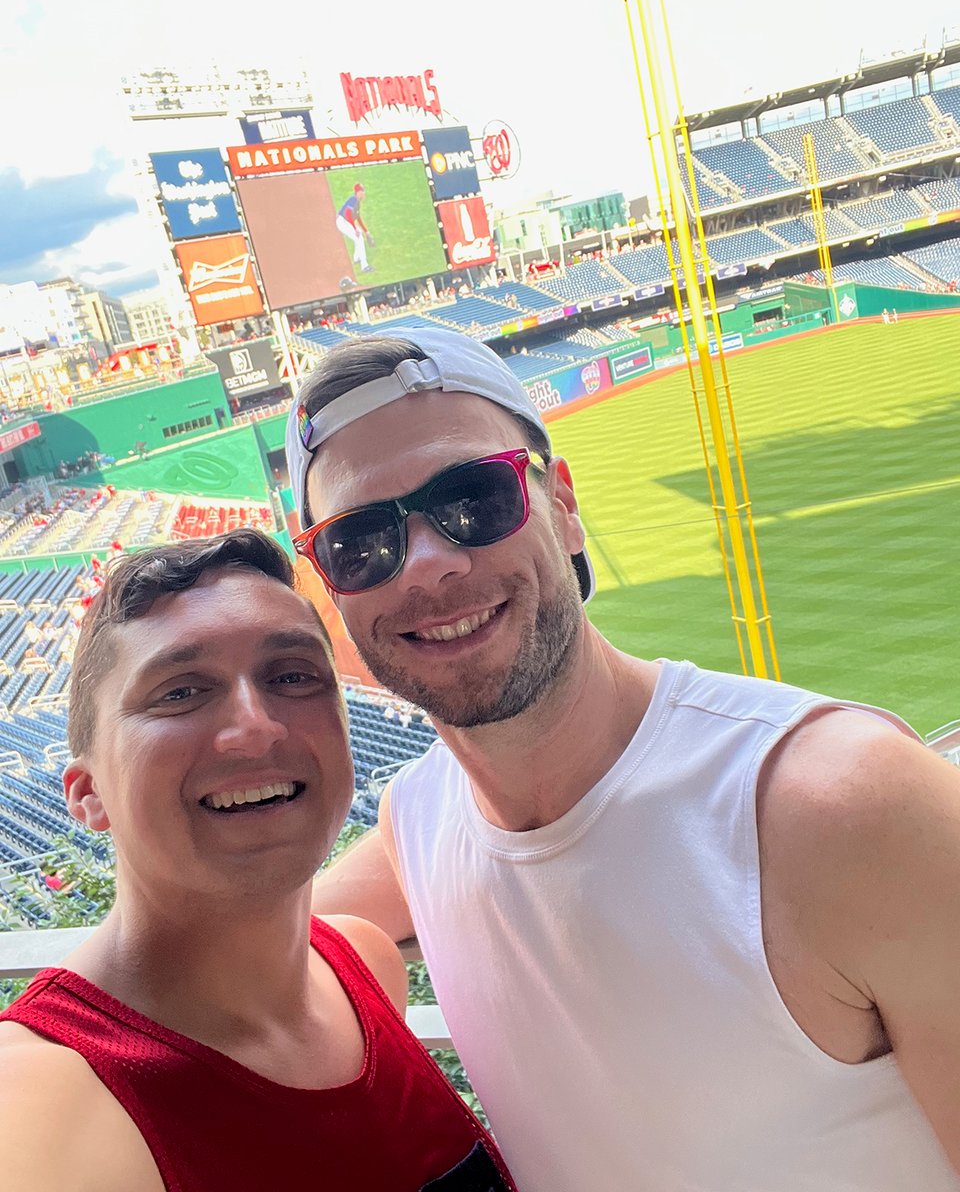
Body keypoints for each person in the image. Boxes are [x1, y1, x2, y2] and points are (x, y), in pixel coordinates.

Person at [284, 326, 960, 1191]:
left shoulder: (846, 807)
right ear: (330, 585)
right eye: (360, 542)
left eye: (474, 498)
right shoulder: (416, 822)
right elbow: (236, 954)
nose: (428, 565)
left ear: (562, 506)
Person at [0, 531, 514, 1192]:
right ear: (88, 793)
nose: (256, 726)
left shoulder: (364, 962)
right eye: (180, 692)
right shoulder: (43, 1098)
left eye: (293, 676)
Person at [336, 182, 374, 275]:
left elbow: (358, 218)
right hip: (342, 222)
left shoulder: (357, 202)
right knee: (359, 238)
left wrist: (366, 231)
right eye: (363, 191)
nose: (364, 193)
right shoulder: (353, 200)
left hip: (346, 221)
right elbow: (347, 214)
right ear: (358, 192)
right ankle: (364, 266)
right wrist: (354, 228)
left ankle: (356, 257)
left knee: (359, 235)